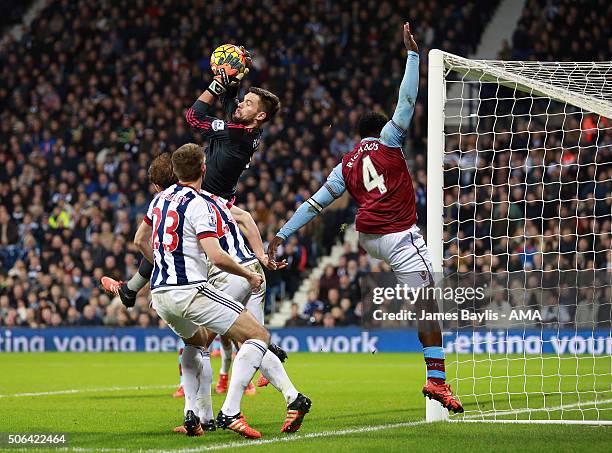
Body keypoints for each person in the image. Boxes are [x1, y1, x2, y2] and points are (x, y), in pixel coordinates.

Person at [268, 23, 463, 414]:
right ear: (379, 131)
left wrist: (281, 233)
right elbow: (406, 103)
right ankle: (437, 381)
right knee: (429, 302)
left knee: (419, 294)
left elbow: (314, 204)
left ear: (357, 138)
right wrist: (412, 55)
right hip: (399, 234)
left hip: (368, 237)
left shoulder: (344, 165)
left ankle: (433, 371)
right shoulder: (390, 141)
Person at [133, 144, 271, 439]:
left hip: (161, 294)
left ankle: (194, 416)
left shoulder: (158, 200)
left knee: (196, 344)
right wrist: (249, 274)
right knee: (258, 335)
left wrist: (161, 264)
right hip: (191, 290)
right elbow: (217, 256)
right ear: (204, 169)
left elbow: (139, 240)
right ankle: (231, 411)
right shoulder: (198, 204)